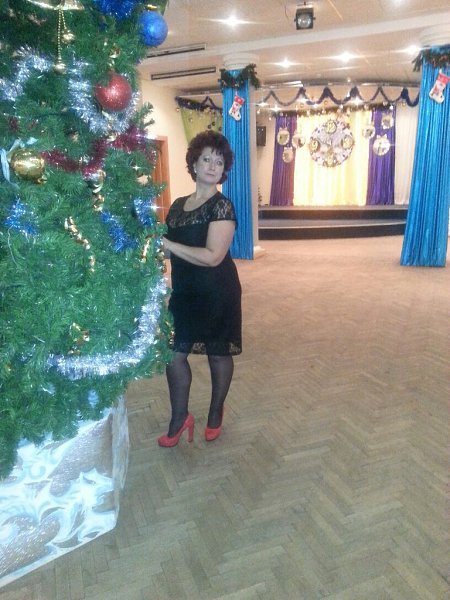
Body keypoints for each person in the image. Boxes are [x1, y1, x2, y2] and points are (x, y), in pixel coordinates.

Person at [158, 130, 242, 447]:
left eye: (218, 162)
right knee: (173, 356)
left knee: (217, 355)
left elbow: (213, 257)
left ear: (224, 170)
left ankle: (216, 411)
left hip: (217, 292)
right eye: (206, 159)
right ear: (194, 163)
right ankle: (179, 419)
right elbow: (171, 251)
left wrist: (167, 245)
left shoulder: (222, 207)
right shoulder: (178, 206)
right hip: (184, 293)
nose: (212, 166)